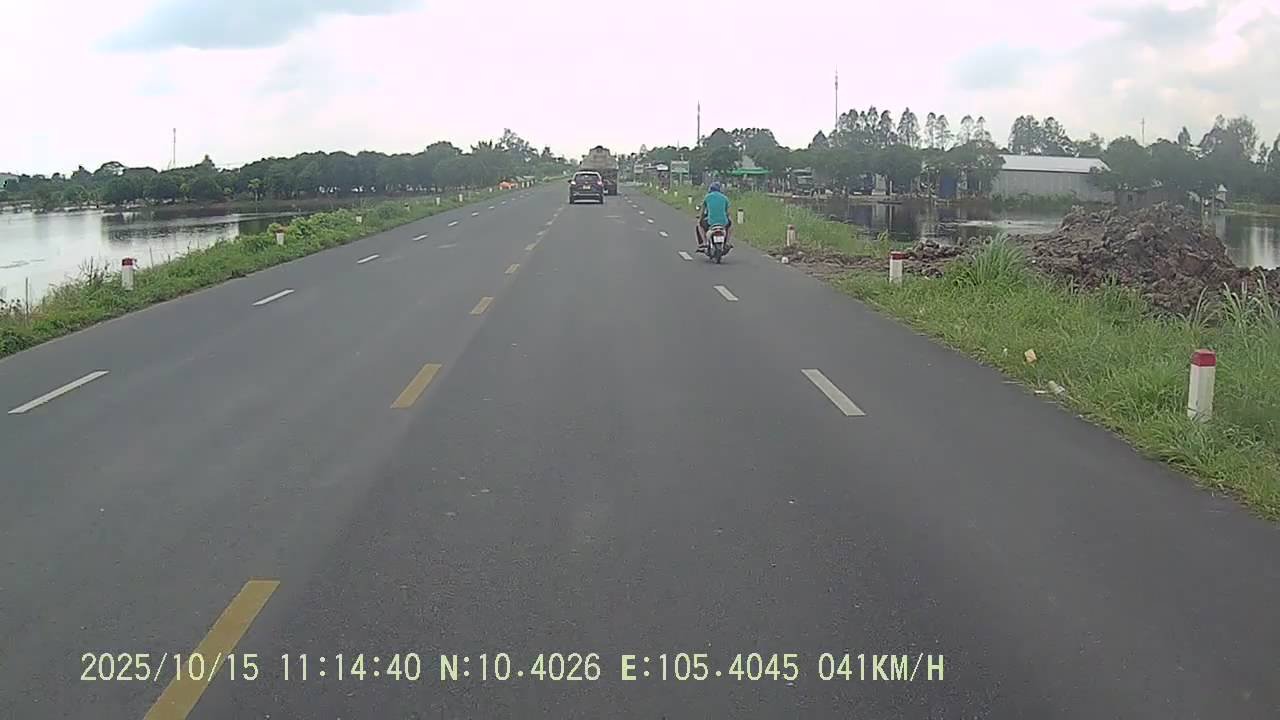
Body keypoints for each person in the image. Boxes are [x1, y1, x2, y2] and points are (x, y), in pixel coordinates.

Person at [696, 181, 732, 251]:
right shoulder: (725, 198)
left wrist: (700, 218)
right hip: (723, 222)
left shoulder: (707, 197)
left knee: (699, 225)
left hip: (711, 222)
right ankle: (727, 242)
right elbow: (728, 213)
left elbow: (702, 212)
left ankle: (704, 242)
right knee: (731, 225)